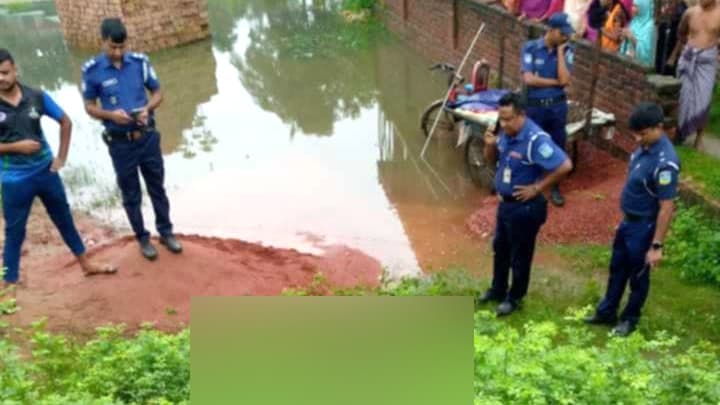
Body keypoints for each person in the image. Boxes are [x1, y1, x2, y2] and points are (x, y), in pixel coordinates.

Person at [0, 48, 117, 293]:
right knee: (15, 230)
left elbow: (65, 121)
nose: (1, 78)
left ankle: (86, 264)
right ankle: (10, 280)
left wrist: (61, 158)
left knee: (64, 218)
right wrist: (16, 147)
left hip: (46, 172)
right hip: (14, 178)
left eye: (5, 72)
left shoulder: (36, 96)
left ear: (15, 70)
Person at [81, 18, 182, 260]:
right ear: (103, 41)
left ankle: (166, 233)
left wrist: (147, 108)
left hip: (147, 137)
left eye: (122, 47)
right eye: (113, 47)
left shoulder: (140, 63)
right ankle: (143, 238)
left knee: (157, 186)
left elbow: (158, 92)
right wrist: (110, 116)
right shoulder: (92, 70)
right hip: (120, 143)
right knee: (131, 193)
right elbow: (89, 107)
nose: (118, 52)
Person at [585, 102, 680, 337]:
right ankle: (607, 311)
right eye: (635, 133)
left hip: (644, 227)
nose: (638, 138)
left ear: (659, 128)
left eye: (643, 133)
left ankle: (629, 319)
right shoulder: (643, 149)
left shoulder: (665, 163)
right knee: (617, 268)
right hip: (628, 222)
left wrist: (656, 245)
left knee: (638, 276)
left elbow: (667, 207)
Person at [475, 92, 573, 316]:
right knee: (501, 248)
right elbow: (492, 160)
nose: (504, 123)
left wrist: (537, 188)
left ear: (522, 115)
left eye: (509, 119)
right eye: (501, 118)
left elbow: (565, 165)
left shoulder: (536, 140)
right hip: (505, 205)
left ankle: (515, 297)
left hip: (526, 208)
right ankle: (498, 289)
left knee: (520, 255)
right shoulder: (506, 134)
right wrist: (489, 145)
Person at [520, 12, 575, 207]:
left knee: (558, 145)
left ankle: (554, 188)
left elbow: (566, 80)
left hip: (557, 107)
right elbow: (529, 79)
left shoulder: (567, 50)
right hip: (535, 108)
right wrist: (555, 82)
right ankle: (533, 186)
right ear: (551, 30)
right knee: (533, 144)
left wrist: (560, 53)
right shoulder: (531, 48)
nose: (566, 37)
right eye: (563, 33)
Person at [667, 0, 720, 148]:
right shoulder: (690, 13)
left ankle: (698, 138)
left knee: (704, 99)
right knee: (683, 96)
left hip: (707, 63)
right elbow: (681, 33)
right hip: (688, 59)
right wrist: (689, 49)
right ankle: (678, 132)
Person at [655, 0, 689, 75]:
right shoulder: (666, 5)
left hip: (672, 48)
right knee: (659, 69)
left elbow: (682, 36)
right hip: (663, 44)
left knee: (668, 73)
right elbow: (659, 20)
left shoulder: (683, 10)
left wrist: (673, 56)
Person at [620, 0, 657, 66]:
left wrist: (632, 38)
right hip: (627, 63)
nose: (632, 9)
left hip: (640, 68)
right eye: (633, 5)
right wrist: (624, 37)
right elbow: (626, 43)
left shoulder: (650, 27)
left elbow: (646, 52)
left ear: (643, 7)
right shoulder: (634, 21)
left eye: (635, 6)